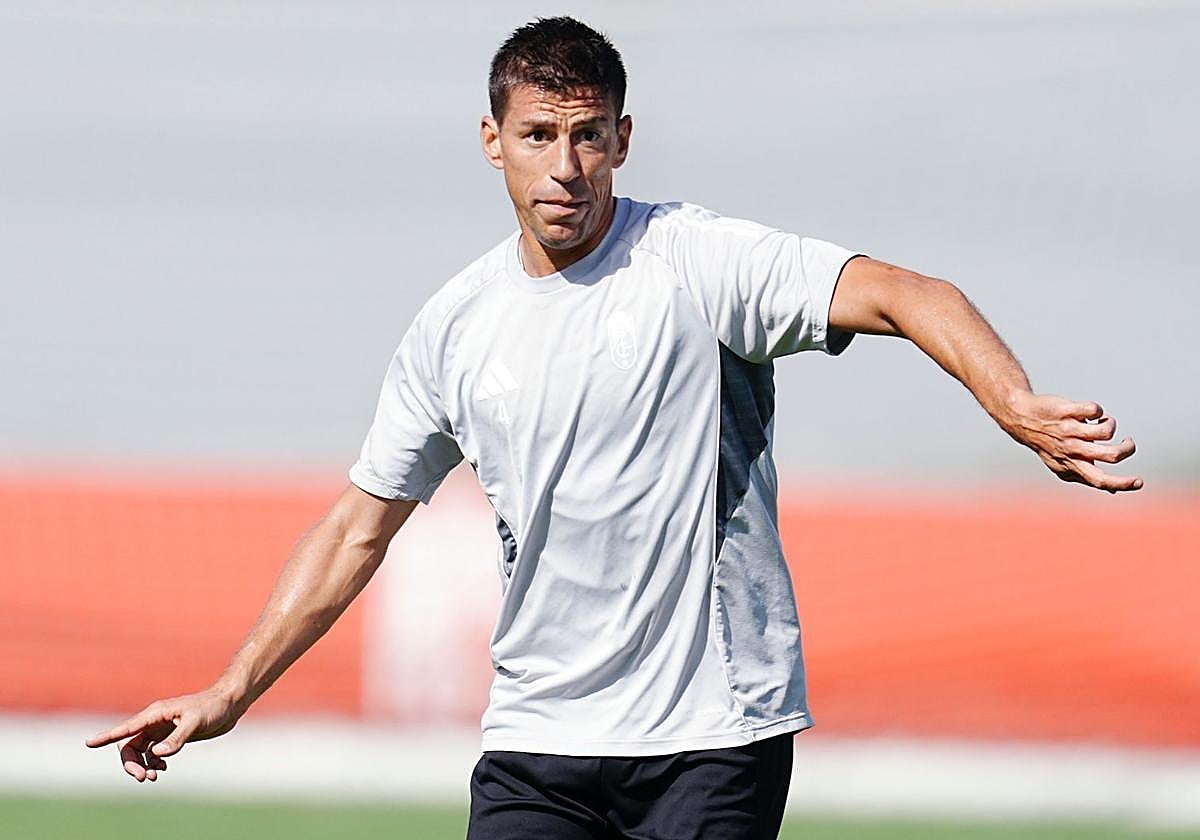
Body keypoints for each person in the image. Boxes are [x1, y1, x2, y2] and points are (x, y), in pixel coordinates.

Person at [85, 16, 1141, 840]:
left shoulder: (699, 262)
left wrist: (1013, 404)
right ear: (492, 140)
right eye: (539, 136)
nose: (566, 166)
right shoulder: (454, 328)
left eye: (589, 136)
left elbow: (914, 293)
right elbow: (360, 526)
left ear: (623, 139)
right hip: (537, 740)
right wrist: (232, 690)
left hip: (711, 735)